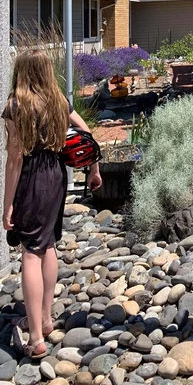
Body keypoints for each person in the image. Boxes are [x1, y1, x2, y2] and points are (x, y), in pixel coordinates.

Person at [2, 50, 102, 358]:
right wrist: (93, 169)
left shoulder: (16, 106)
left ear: (21, 72)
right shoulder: (59, 101)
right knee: (47, 246)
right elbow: (85, 131)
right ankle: (45, 319)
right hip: (57, 175)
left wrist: (7, 205)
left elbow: (15, 158)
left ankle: (35, 338)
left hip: (32, 178)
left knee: (30, 254)